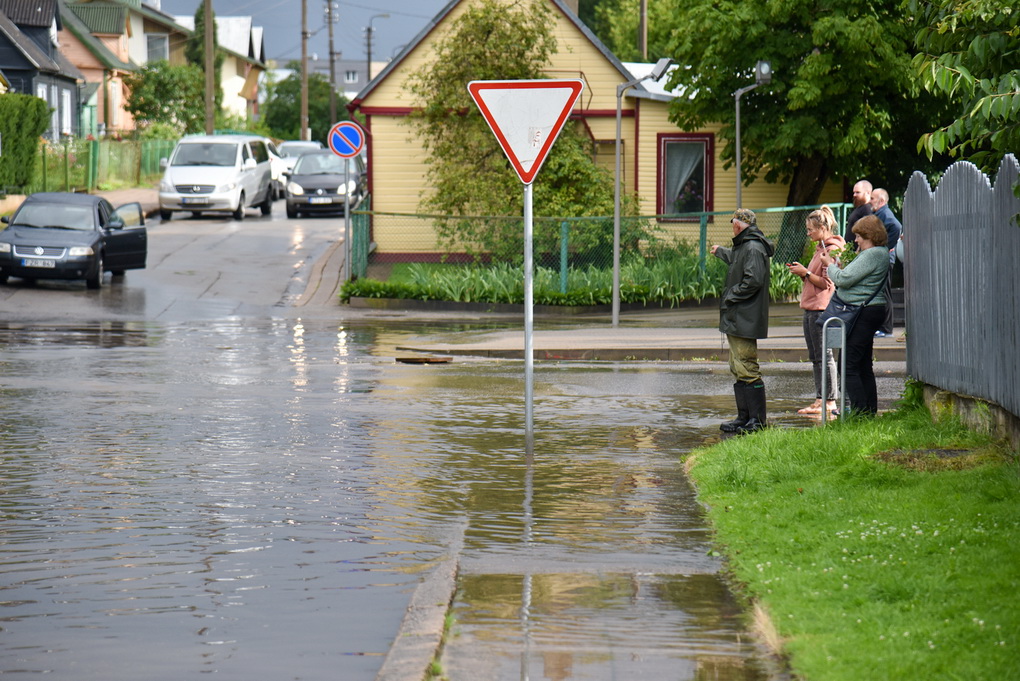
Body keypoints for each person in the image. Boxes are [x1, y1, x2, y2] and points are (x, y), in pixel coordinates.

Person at [710, 209, 774, 434]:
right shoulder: (745, 245)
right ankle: (744, 417)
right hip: (739, 316)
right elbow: (738, 262)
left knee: (746, 365)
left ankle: (757, 421)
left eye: (732, 223)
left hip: (745, 316)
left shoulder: (753, 247)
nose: (732, 226)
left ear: (738, 224)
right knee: (738, 366)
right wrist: (721, 252)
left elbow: (753, 280)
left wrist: (730, 295)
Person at [819, 215, 889, 415]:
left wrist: (829, 265)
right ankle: (868, 411)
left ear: (869, 236)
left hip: (863, 311)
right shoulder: (879, 253)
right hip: (869, 310)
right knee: (863, 364)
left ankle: (859, 412)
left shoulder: (872, 254)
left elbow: (844, 279)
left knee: (848, 365)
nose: (856, 240)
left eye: (859, 236)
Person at [786, 206, 845, 415]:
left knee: (825, 356)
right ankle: (820, 399)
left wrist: (806, 272)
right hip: (811, 308)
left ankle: (830, 401)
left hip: (821, 309)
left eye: (811, 229)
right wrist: (804, 272)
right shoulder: (820, 248)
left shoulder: (832, 250)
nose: (808, 233)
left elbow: (828, 284)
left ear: (822, 228)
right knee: (816, 357)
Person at [869, 188, 902, 337]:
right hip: (883, 259)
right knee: (881, 292)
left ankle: (886, 329)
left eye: (872, 198)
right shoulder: (880, 214)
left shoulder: (885, 214)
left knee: (885, 293)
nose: (870, 201)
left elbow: (896, 227)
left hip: (885, 260)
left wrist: (886, 248)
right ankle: (882, 327)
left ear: (881, 201)